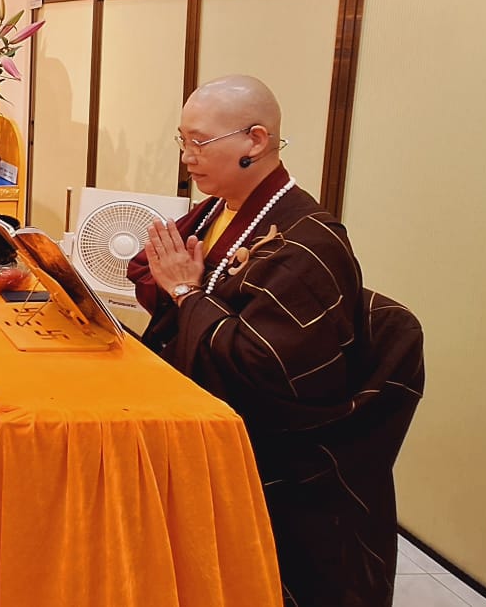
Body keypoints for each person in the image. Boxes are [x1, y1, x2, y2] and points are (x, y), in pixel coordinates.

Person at [128, 75, 423, 607]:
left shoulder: (310, 240)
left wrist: (186, 293)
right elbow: (166, 280)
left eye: (200, 142)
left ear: (256, 140)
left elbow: (264, 372)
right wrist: (179, 288)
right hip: (209, 411)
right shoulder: (221, 210)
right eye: (183, 141)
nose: (188, 158)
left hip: (283, 454)